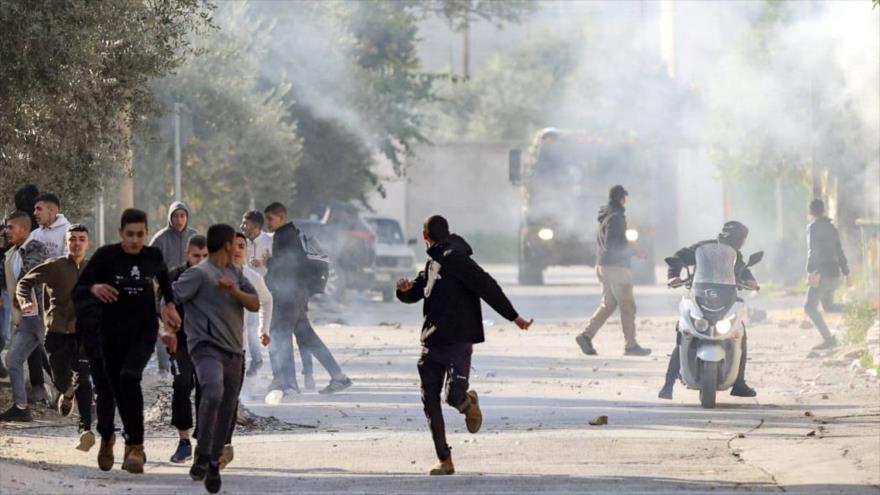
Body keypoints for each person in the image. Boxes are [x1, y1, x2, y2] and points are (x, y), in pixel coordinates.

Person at [397, 215, 534, 475]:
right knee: (430, 402)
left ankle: (467, 403)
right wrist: (404, 290)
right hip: (431, 342)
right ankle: (444, 459)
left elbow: (487, 286)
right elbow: (416, 291)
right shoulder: (432, 262)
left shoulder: (457, 259)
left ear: (426, 236)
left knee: (453, 396)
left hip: (458, 340)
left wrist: (513, 317)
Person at [73, 208, 181, 474]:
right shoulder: (105, 257)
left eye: (140, 234)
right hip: (109, 333)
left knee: (130, 377)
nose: (135, 240)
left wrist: (170, 307)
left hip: (142, 332)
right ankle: (107, 438)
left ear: (146, 233)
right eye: (130, 234)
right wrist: (94, 288)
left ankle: (135, 446)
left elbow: (165, 284)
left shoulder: (153, 256)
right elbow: (79, 290)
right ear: (120, 233)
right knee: (109, 391)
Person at [172, 224, 259, 494]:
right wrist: (167, 324)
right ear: (226, 245)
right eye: (235, 242)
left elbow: (255, 303)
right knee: (212, 391)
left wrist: (235, 291)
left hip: (234, 351)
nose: (238, 247)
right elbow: (170, 295)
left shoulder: (235, 273)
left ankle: (211, 462)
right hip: (206, 347)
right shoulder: (198, 274)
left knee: (227, 409)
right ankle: (202, 452)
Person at [15, 224, 96, 450]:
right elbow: (25, 282)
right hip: (57, 334)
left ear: (88, 243)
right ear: (66, 243)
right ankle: (67, 393)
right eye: (73, 239)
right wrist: (25, 301)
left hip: (83, 335)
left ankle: (85, 429)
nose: (77, 243)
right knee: (60, 377)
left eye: (82, 239)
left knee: (84, 379)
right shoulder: (55, 266)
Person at [659, 221, 759, 400]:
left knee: (739, 332)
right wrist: (674, 276)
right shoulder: (704, 248)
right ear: (736, 238)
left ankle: (739, 382)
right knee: (685, 332)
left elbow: (743, 271)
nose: (743, 242)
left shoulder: (736, 256)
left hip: (726, 299)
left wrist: (750, 281)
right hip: (700, 297)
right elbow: (679, 257)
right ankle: (668, 385)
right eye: (742, 239)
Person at [264, 202, 351, 396]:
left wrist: (267, 262)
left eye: (270, 219)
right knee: (307, 336)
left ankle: (289, 384)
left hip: (290, 295)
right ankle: (339, 377)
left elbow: (286, 266)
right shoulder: (293, 233)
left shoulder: (285, 235)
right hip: (298, 293)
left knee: (280, 334)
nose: (267, 223)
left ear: (281, 218)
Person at [576, 185, 651, 357]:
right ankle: (631, 346)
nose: (626, 201)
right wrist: (634, 250)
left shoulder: (606, 216)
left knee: (608, 304)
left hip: (603, 266)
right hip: (617, 268)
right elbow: (612, 245)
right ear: (621, 198)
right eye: (625, 198)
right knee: (627, 306)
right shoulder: (617, 218)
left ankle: (585, 336)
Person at [0, 211, 49, 422]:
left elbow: (30, 276)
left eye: (10, 227)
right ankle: (21, 407)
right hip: (27, 319)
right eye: (5, 227)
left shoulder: (36, 248)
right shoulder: (11, 254)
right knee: (13, 359)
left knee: (60, 361)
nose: (6, 231)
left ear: (25, 229)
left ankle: (89, 401)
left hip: (44, 317)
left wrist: (18, 297)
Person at [167, 235, 209, 464]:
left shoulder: (215, 278)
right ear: (187, 254)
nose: (200, 260)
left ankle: (203, 441)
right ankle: (184, 443)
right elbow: (161, 307)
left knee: (206, 391)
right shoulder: (174, 277)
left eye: (205, 256)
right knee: (181, 387)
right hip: (180, 344)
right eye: (196, 256)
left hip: (207, 345)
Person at [150, 201, 199, 375]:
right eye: (175, 216)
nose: (179, 220)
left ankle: (186, 364)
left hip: (191, 292)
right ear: (170, 218)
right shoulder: (160, 238)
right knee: (165, 326)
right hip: (166, 291)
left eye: (182, 216)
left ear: (187, 217)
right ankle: (166, 366)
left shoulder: (194, 236)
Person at [804, 199, 850, 350]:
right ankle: (857, 309)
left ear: (811, 212)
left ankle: (828, 339)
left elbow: (813, 250)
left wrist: (810, 271)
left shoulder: (813, 227)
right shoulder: (832, 228)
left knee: (809, 307)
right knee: (829, 306)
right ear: (823, 210)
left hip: (821, 273)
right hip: (834, 273)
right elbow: (839, 250)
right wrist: (846, 271)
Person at [232, 231, 272, 378]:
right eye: (232, 246)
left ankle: (236, 399)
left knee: (234, 384)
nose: (236, 250)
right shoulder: (213, 274)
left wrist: (264, 329)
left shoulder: (253, 277)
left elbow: (267, 300)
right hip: (214, 342)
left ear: (246, 251)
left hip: (239, 344)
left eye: (241, 246)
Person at [30, 193, 72, 258]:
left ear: (52, 210)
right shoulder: (34, 234)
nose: (35, 213)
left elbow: (68, 260)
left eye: (39, 209)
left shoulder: (68, 231)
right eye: (35, 209)